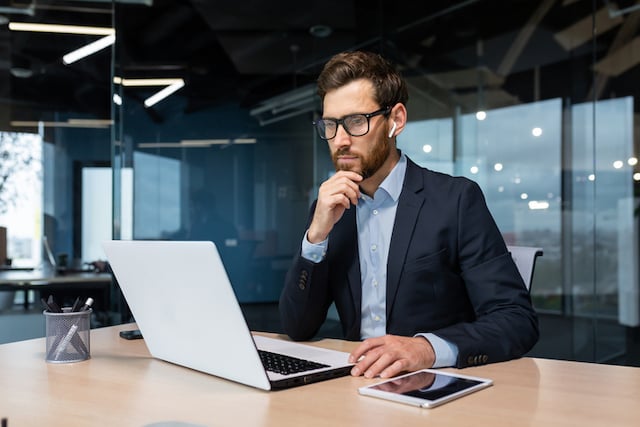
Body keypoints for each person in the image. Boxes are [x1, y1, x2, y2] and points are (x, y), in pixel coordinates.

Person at [279, 50, 539, 380]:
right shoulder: (331, 209)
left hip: (435, 383)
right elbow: (296, 326)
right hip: (355, 382)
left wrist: (427, 348)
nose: (340, 140)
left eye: (356, 122)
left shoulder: (456, 200)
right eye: (330, 125)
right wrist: (316, 236)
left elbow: (516, 319)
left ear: (396, 120)